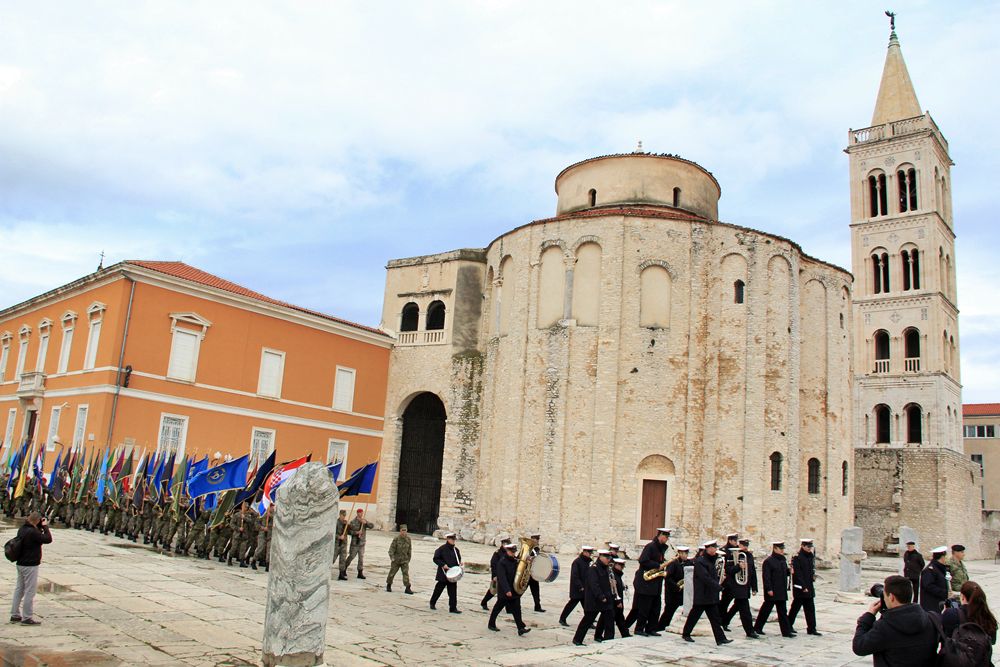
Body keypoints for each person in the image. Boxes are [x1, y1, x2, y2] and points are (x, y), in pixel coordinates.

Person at [852, 574, 938, 666]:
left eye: (884, 595)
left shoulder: (885, 627)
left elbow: (859, 647)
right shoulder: (931, 619)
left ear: (891, 597)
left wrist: (869, 616)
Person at [681, 540, 731, 645]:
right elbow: (705, 577)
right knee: (694, 616)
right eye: (713, 548)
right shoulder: (700, 561)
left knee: (715, 618)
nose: (715, 550)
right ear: (708, 548)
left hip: (710, 594)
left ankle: (720, 638)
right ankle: (686, 633)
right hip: (702, 594)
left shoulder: (712, 560)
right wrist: (718, 586)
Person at [10, 511, 52, 625]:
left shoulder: (23, 528)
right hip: (30, 564)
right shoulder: (33, 532)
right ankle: (27, 617)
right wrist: (45, 526)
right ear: (37, 521)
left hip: (21, 563)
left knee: (19, 589)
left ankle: (14, 614)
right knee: (30, 591)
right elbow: (48, 539)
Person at [629, 527, 670, 636]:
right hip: (646, 584)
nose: (667, 539)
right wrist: (658, 565)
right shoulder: (650, 546)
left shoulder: (661, 548)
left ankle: (651, 628)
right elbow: (643, 561)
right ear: (660, 535)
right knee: (644, 608)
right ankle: (639, 629)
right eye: (665, 536)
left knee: (655, 608)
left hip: (655, 584)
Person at [572, 549, 614, 646]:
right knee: (588, 620)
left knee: (608, 619)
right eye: (607, 558)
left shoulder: (606, 568)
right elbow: (594, 585)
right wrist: (601, 596)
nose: (609, 560)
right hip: (595, 599)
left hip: (606, 598)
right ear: (600, 557)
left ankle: (606, 638)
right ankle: (577, 639)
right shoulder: (593, 568)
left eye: (609, 558)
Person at [488, 543, 530, 635]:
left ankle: (520, 628)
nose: (513, 554)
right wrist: (507, 590)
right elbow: (502, 578)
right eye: (512, 552)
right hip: (505, 591)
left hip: (514, 590)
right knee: (498, 608)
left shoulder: (514, 560)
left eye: (514, 552)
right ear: (507, 551)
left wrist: (527, 561)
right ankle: (491, 624)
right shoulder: (502, 562)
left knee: (517, 609)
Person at [754, 541, 794, 637]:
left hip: (781, 590)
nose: (782, 550)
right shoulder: (768, 561)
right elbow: (766, 577)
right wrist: (769, 589)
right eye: (781, 549)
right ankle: (757, 628)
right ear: (775, 549)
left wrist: (789, 571)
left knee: (782, 612)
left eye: (783, 549)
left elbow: (783, 573)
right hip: (772, 590)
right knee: (765, 610)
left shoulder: (782, 560)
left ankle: (786, 632)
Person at [722, 540, 759, 638]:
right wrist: (738, 566)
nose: (745, 547)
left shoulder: (749, 556)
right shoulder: (733, 556)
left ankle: (724, 621)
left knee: (737, 606)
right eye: (743, 545)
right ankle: (750, 631)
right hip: (736, 586)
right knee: (745, 610)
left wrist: (754, 587)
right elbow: (728, 570)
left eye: (747, 545)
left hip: (745, 586)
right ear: (739, 545)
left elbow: (752, 572)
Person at [941, 581, 997, 645]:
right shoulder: (988, 617)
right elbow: (992, 641)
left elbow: (943, 635)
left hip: (955, 653)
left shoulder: (952, 614)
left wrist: (943, 615)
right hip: (980, 654)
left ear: (963, 597)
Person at [788, 538, 821, 636]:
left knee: (810, 608)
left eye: (810, 547)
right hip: (800, 587)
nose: (809, 549)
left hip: (809, 585)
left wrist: (813, 577)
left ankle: (811, 628)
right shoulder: (797, 557)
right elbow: (797, 574)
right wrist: (803, 586)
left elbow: (810, 570)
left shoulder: (810, 556)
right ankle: (789, 625)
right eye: (807, 547)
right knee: (795, 607)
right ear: (802, 546)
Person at [657, 546, 692, 630]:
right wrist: (676, 586)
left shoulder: (688, 563)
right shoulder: (673, 563)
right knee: (669, 611)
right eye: (683, 553)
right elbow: (668, 578)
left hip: (682, 592)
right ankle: (660, 627)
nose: (685, 555)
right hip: (672, 592)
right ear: (679, 553)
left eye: (686, 553)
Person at [558, 545, 593, 626]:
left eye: (590, 553)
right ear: (584, 552)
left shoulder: (589, 562)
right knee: (571, 604)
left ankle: (589, 622)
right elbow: (575, 576)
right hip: (578, 588)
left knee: (587, 606)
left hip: (586, 588)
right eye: (589, 552)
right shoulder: (577, 562)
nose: (590, 554)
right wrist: (580, 586)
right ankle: (562, 618)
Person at [430, 532, 462, 613]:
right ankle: (432, 603)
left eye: (454, 539)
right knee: (438, 589)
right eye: (451, 539)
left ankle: (453, 608)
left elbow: (458, 560)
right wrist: (443, 565)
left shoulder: (456, 550)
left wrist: (459, 564)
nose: (453, 541)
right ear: (447, 539)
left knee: (453, 592)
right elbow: (436, 558)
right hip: (443, 573)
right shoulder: (441, 549)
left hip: (452, 574)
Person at [344, 509, 374, 579]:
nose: (361, 514)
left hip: (362, 544)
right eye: (359, 513)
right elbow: (348, 532)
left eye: (362, 513)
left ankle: (360, 572)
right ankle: (344, 568)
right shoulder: (353, 522)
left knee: (361, 558)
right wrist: (356, 533)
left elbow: (372, 526)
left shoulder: (364, 521)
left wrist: (366, 523)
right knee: (351, 557)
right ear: (357, 513)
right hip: (355, 544)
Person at [919, 545, 950, 613]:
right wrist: (945, 593)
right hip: (931, 607)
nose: (947, 558)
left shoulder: (940, 568)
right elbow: (929, 586)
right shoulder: (929, 570)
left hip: (939, 605)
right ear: (942, 557)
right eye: (946, 556)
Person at [482, 539, 510, 610]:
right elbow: (493, 564)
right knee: (492, 591)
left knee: (506, 591)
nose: (506, 546)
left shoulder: (509, 552)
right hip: (498, 575)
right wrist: (494, 576)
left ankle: (508, 608)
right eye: (505, 544)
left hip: (506, 576)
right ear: (502, 544)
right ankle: (484, 602)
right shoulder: (497, 553)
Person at [717, 533, 739, 618]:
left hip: (735, 580)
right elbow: (725, 568)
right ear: (730, 540)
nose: (735, 542)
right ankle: (721, 619)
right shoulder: (724, 551)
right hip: (727, 581)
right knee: (725, 601)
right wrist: (737, 567)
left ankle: (724, 620)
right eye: (734, 540)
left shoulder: (737, 549)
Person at [386, 524, 413, 594]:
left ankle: (407, 587)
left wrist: (408, 559)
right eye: (402, 530)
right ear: (400, 531)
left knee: (405, 573)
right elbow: (391, 549)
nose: (404, 532)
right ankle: (389, 584)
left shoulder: (408, 539)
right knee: (392, 573)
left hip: (404, 560)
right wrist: (392, 558)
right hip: (396, 560)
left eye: (405, 530)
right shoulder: (396, 539)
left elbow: (409, 550)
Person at [527, 533, 545, 612]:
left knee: (536, 591)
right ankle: (510, 604)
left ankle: (537, 606)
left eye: (536, 540)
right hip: (527, 573)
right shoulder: (528, 548)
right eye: (534, 540)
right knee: (520, 590)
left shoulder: (537, 549)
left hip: (533, 573)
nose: (536, 542)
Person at [335, 509, 349, 580]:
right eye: (343, 515)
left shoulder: (345, 523)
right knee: (332, 558)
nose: (344, 517)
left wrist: (348, 525)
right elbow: (333, 533)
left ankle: (341, 574)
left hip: (344, 545)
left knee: (343, 559)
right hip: (337, 545)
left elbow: (349, 531)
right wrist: (339, 537)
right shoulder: (336, 523)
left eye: (344, 515)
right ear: (340, 515)